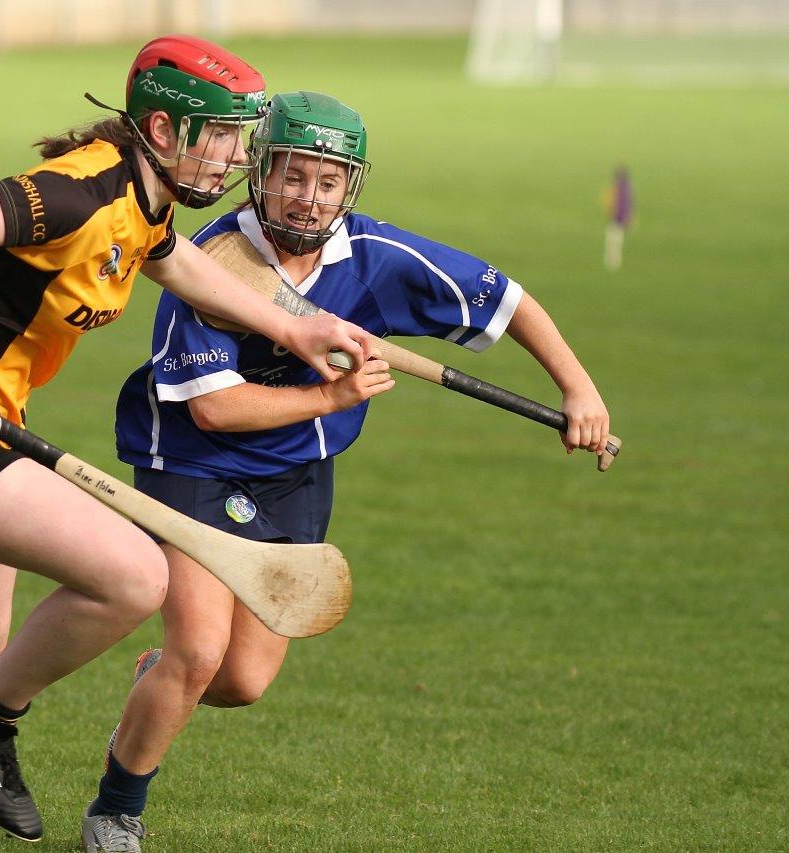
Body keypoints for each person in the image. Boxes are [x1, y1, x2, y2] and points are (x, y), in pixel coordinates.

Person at [0, 41, 377, 853]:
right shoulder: (80, 191)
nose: (235, 156)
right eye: (222, 136)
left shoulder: (143, 197)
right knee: (132, 573)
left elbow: (174, 261)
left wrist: (289, 326)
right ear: (162, 127)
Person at [80, 91, 612, 852]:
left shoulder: (376, 257)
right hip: (193, 466)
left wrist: (578, 388)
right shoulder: (210, 262)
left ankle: (156, 681)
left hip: (297, 476)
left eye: (327, 182)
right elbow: (215, 412)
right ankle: (114, 809)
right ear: (259, 173)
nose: (309, 197)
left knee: (241, 680)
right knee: (200, 651)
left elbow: (509, 301)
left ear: (349, 187)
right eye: (293, 176)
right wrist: (331, 394)